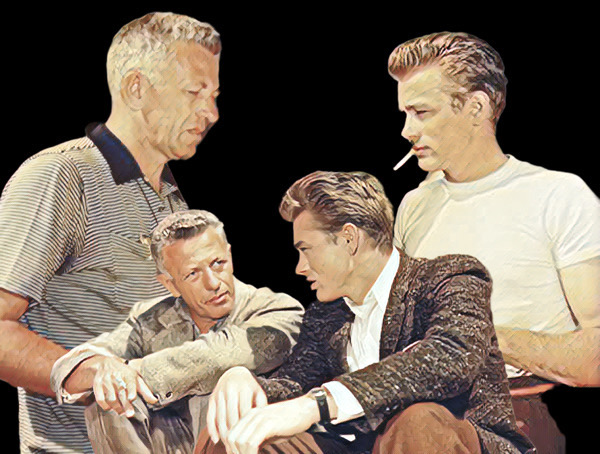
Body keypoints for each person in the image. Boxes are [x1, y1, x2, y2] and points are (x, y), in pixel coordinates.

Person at [0, 12, 222, 453]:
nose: (211, 113)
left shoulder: (173, 200)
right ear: (136, 88)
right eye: (194, 92)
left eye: (214, 96)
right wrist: (94, 371)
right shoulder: (61, 177)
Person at [197, 171, 534, 454]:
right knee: (231, 435)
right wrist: (246, 383)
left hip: (442, 441)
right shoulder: (326, 315)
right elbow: (295, 384)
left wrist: (321, 403)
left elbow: (449, 359)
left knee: (417, 422)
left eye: (306, 250)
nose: (300, 267)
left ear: (349, 240)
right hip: (357, 446)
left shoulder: (450, 278)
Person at [387, 31, 600, 453]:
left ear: (477, 107)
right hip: (415, 407)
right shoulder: (414, 206)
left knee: (419, 428)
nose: (407, 130)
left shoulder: (559, 195)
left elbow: (596, 356)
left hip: (514, 414)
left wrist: (476, 339)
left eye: (422, 112)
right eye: (405, 113)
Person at [50, 209, 304, 453]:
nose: (213, 283)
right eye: (193, 274)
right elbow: (66, 369)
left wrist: (131, 369)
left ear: (230, 256)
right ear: (170, 284)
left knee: (227, 384)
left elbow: (218, 356)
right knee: (110, 399)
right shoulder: (150, 319)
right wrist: (103, 368)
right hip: (171, 444)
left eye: (218, 263)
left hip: (238, 446)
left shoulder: (280, 310)